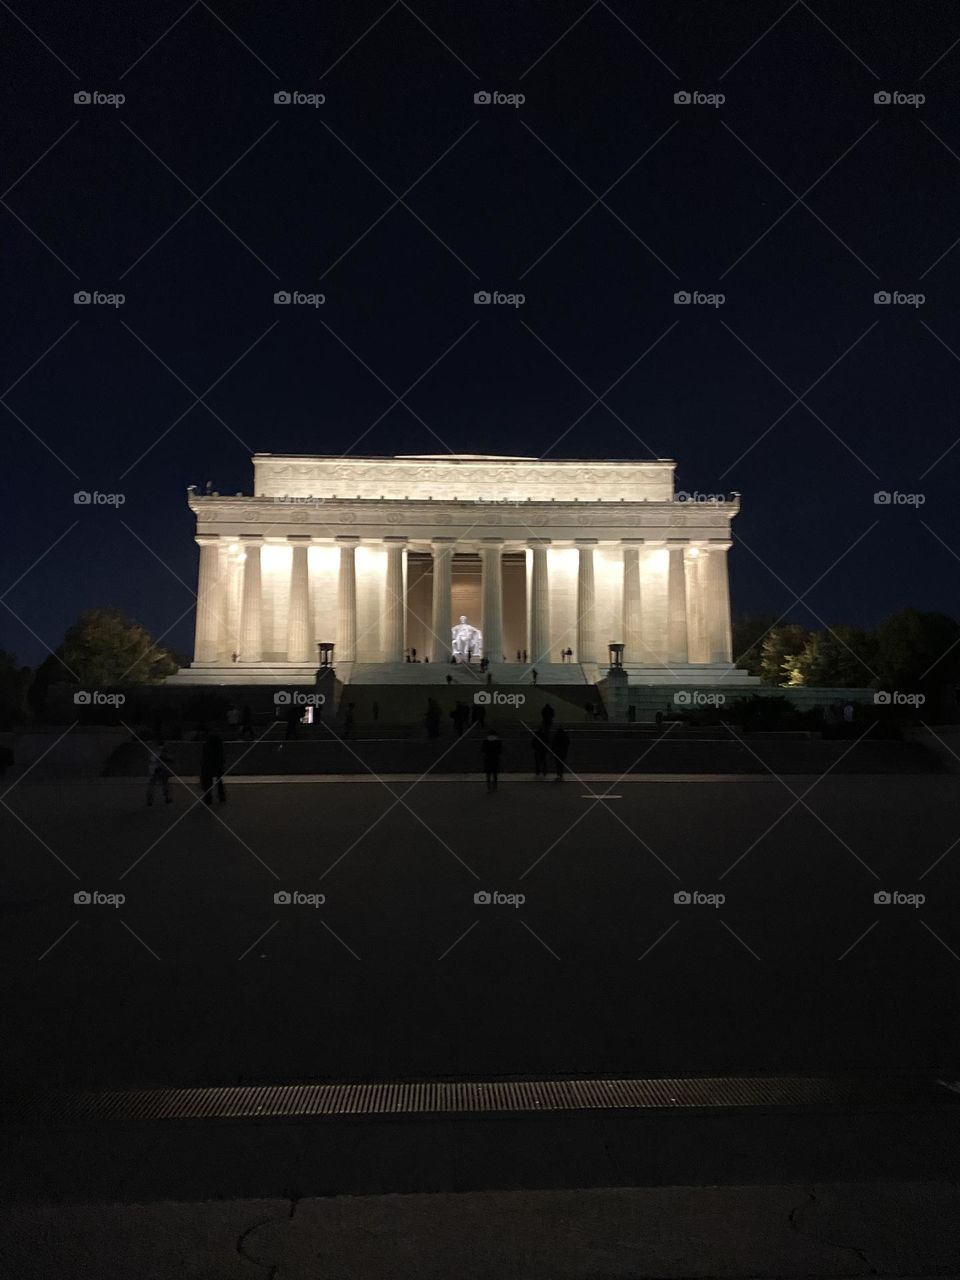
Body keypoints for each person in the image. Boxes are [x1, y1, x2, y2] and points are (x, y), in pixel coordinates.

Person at [200, 730, 226, 805]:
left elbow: (204, 757)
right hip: (217, 764)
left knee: (208, 781)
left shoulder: (207, 745)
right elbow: (221, 756)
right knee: (219, 781)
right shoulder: (218, 745)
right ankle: (221, 796)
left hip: (209, 765)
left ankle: (208, 798)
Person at [146, 741, 173, 806]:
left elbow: (151, 760)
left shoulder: (154, 750)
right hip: (160, 769)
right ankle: (167, 798)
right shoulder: (162, 750)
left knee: (152, 785)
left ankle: (150, 799)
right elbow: (164, 758)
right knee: (165, 784)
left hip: (153, 769)